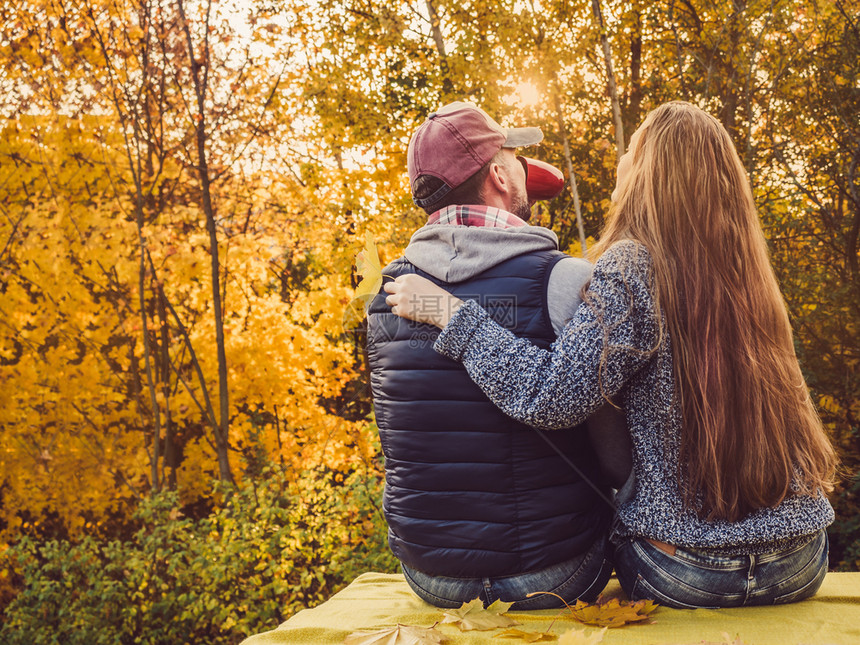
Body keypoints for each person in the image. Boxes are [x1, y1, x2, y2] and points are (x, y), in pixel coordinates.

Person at [383, 101, 838, 609]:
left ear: (648, 170)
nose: (620, 158)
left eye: (630, 147)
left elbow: (552, 398)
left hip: (686, 569)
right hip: (800, 562)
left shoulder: (630, 267)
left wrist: (455, 316)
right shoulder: (749, 270)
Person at [366, 101, 629, 610]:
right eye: (514, 157)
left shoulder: (384, 294)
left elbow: (399, 438)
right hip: (557, 573)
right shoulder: (564, 278)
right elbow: (611, 446)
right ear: (500, 176)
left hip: (433, 578)